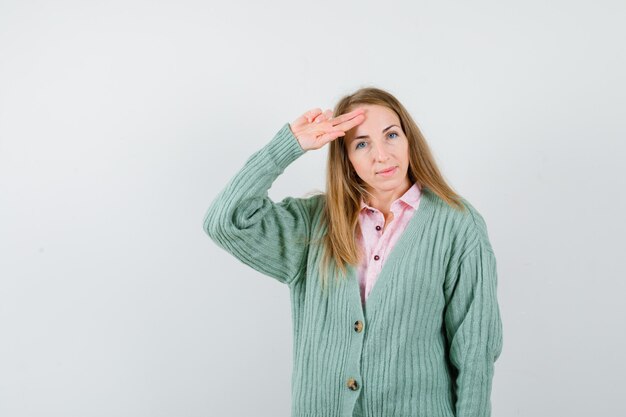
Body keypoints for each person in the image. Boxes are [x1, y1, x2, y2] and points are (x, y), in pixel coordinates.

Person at [202, 87, 503, 417]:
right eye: (362, 144)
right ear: (345, 158)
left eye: (391, 135)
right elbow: (225, 221)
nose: (382, 155)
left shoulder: (457, 224)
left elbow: (475, 350)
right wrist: (288, 146)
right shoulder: (315, 222)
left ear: (409, 139)